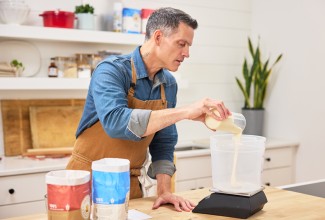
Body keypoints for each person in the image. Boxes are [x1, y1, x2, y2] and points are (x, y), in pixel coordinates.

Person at [66, 7, 231, 212]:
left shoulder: (168, 84)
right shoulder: (111, 70)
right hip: (87, 182)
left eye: (189, 46)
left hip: (129, 187)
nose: (187, 53)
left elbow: (163, 141)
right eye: (182, 44)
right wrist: (185, 112)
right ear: (159, 37)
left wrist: (164, 190)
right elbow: (116, 122)